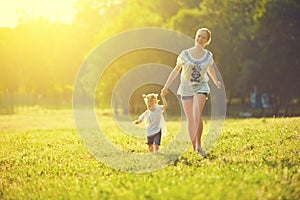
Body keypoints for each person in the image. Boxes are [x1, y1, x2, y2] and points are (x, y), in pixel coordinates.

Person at [161, 27, 222, 157]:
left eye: (203, 37)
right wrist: (166, 86)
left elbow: (210, 69)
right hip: (186, 88)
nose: (200, 39)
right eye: (198, 36)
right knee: (190, 119)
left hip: (201, 87)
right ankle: (194, 146)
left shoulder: (208, 55)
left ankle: (199, 145)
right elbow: (176, 70)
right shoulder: (185, 54)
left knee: (196, 115)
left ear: (207, 41)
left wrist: (216, 81)